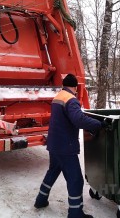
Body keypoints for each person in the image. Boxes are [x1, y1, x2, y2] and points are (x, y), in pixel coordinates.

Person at [34, 74, 104, 218]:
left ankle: (40, 200)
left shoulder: (58, 97)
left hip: (54, 144)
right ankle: (75, 213)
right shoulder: (71, 100)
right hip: (65, 146)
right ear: (74, 86)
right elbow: (78, 119)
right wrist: (98, 125)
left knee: (52, 172)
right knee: (76, 179)